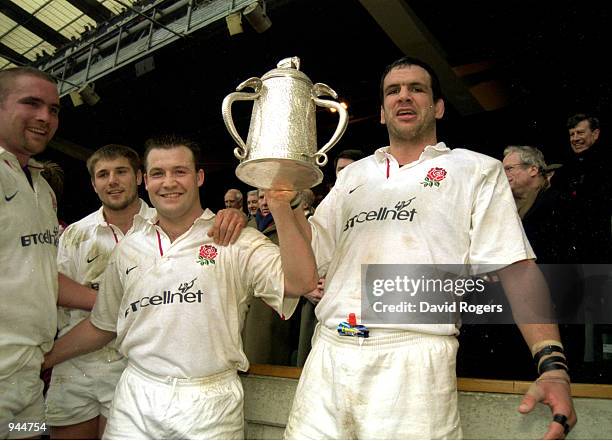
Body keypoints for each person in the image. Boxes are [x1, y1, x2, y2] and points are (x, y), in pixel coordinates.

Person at [274, 56, 576, 439]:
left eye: (417, 89)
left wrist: (553, 366)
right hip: (329, 356)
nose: (404, 97)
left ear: (438, 107)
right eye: (393, 91)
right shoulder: (353, 176)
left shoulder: (475, 170)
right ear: (382, 113)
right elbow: (303, 272)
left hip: (414, 362)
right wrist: (283, 202)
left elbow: (517, 270)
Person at [42, 135, 317, 439]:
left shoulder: (236, 239)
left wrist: (280, 203)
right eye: (158, 173)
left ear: (199, 177)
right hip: (136, 398)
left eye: (180, 171)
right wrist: (42, 359)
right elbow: (103, 324)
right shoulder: (128, 249)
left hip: (210, 403)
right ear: (145, 181)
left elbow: (301, 282)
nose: (169, 182)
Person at [44, 144, 153, 439]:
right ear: (93, 184)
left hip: (135, 366)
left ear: (140, 177)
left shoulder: (163, 227)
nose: (112, 181)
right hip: (75, 365)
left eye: (121, 172)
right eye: (103, 175)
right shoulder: (76, 233)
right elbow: (54, 289)